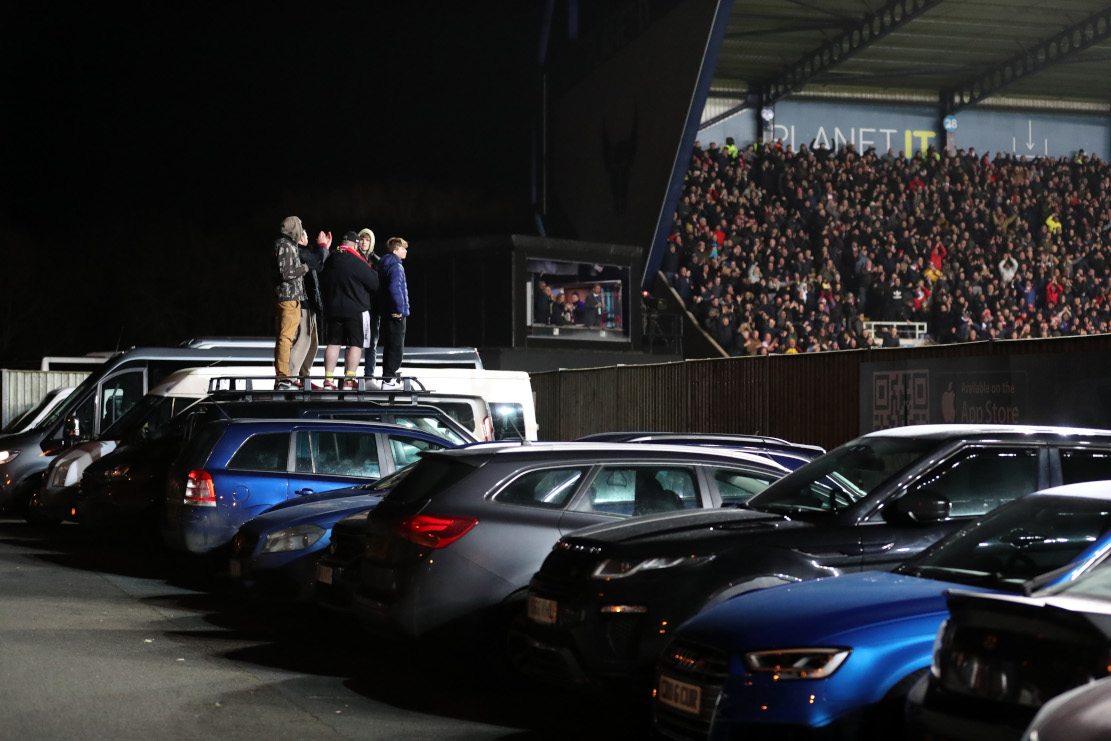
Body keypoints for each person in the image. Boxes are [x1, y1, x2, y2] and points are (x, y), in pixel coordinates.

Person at [319, 231, 379, 389]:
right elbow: (375, 284)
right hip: (355, 309)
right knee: (356, 344)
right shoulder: (357, 262)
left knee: (333, 343)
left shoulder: (330, 259)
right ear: (355, 245)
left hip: (333, 309)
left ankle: (328, 380)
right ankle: (349, 380)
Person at [273, 216, 309, 389]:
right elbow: (286, 274)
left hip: (290, 298)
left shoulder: (285, 244)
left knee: (286, 338)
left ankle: (283, 377)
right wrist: (305, 268)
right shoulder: (285, 246)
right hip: (288, 298)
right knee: (285, 339)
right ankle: (283, 378)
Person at [289, 229, 330, 382]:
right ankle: (290, 378)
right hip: (302, 303)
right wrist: (323, 247)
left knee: (312, 341)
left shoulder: (304, 252)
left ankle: (303, 377)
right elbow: (317, 260)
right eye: (305, 235)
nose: (308, 238)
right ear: (300, 238)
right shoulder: (299, 251)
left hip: (309, 303)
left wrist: (324, 248)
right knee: (302, 339)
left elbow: (319, 265)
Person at [377, 237, 410, 390]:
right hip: (395, 313)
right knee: (396, 346)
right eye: (403, 248)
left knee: (390, 345)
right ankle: (389, 380)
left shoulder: (384, 264)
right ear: (396, 251)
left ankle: (388, 378)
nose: (405, 251)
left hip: (386, 310)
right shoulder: (397, 266)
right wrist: (399, 309)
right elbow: (395, 288)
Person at [356, 228, 379, 383]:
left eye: (367, 239)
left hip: (373, 307)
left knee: (372, 343)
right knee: (353, 342)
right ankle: (349, 376)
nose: (364, 242)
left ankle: (369, 376)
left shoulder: (377, 261)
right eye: (362, 239)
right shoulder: (352, 257)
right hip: (356, 306)